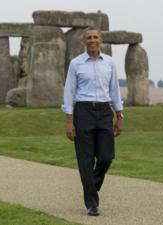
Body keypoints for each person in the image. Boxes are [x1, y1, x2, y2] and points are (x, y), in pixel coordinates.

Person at [61, 27, 124, 216]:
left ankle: (92, 184)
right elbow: (69, 91)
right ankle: (92, 203)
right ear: (84, 42)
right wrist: (69, 120)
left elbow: (115, 90)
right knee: (85, 160)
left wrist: (119, 115)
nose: (92, 40)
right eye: (89, 38)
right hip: (83, 111)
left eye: (96, 37)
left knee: (106, 156)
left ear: (101, 40)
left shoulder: (110, 63)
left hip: (104, 111)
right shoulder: (76, 64)